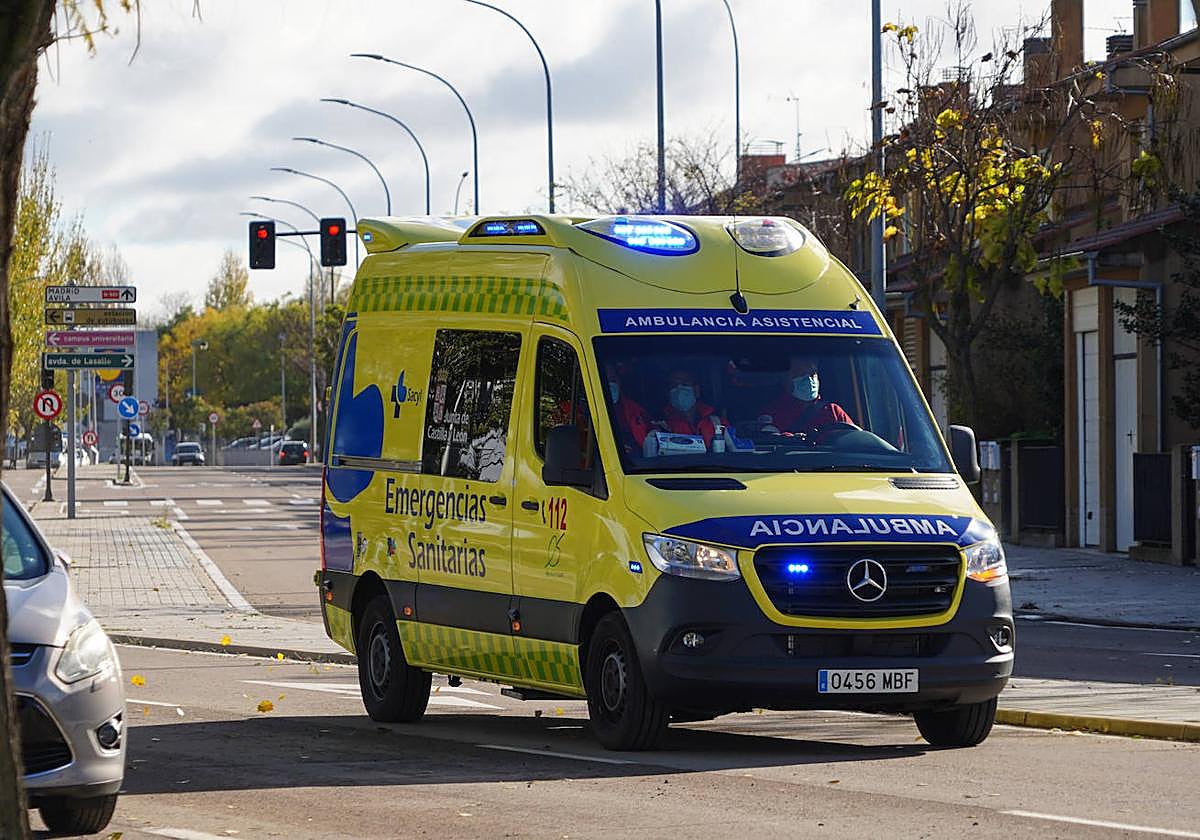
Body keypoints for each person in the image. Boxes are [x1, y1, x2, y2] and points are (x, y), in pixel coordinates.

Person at [759, 356, 854, 436]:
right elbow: (769, 440)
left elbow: (855, 439)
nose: (808, 378)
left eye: (812, 373)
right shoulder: (774, 411)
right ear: (785, 379)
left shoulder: (834, 411)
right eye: (799, 372)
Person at [661, 369, 724, 448]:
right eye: (673, 385)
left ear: (696, 390)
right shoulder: (662, 427)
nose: (679, 388)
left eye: (685, 383)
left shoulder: (718, 423)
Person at [604, 362, 650, 451]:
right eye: (605, 381)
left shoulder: (635, 410)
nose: (610, 385)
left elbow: (651, 433)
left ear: (619, 381)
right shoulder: (583, 413)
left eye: (613, 380)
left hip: (637, 462)